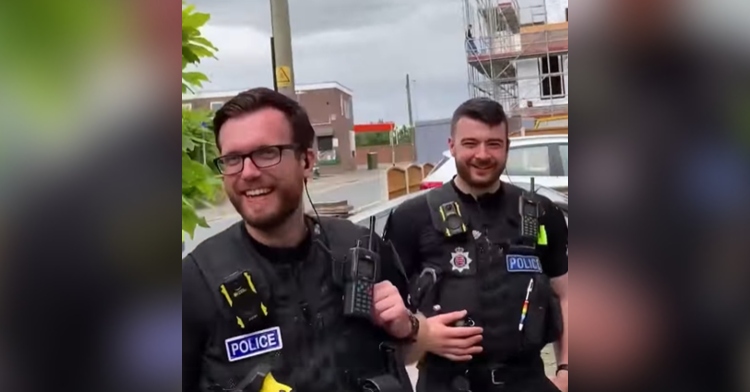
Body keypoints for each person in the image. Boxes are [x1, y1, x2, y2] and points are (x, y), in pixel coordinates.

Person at [182, 87, 430, 392]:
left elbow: (409, 354)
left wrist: (408, 328)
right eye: (233, 159)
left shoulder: (362, 249)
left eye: (266, 153)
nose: (247, 172)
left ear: (307, 161)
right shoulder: (195, 282)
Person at [384, 98, 569, 392]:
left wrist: (566, 370)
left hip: (527, 381)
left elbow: (569, 296)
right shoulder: (411, 219)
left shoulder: (543, 214)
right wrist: (424, 335)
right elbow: (385, 315)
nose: (482, 155)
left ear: (507, 147)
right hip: (448, 384)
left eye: (493, 144)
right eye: (470, 143)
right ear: (452, 146)